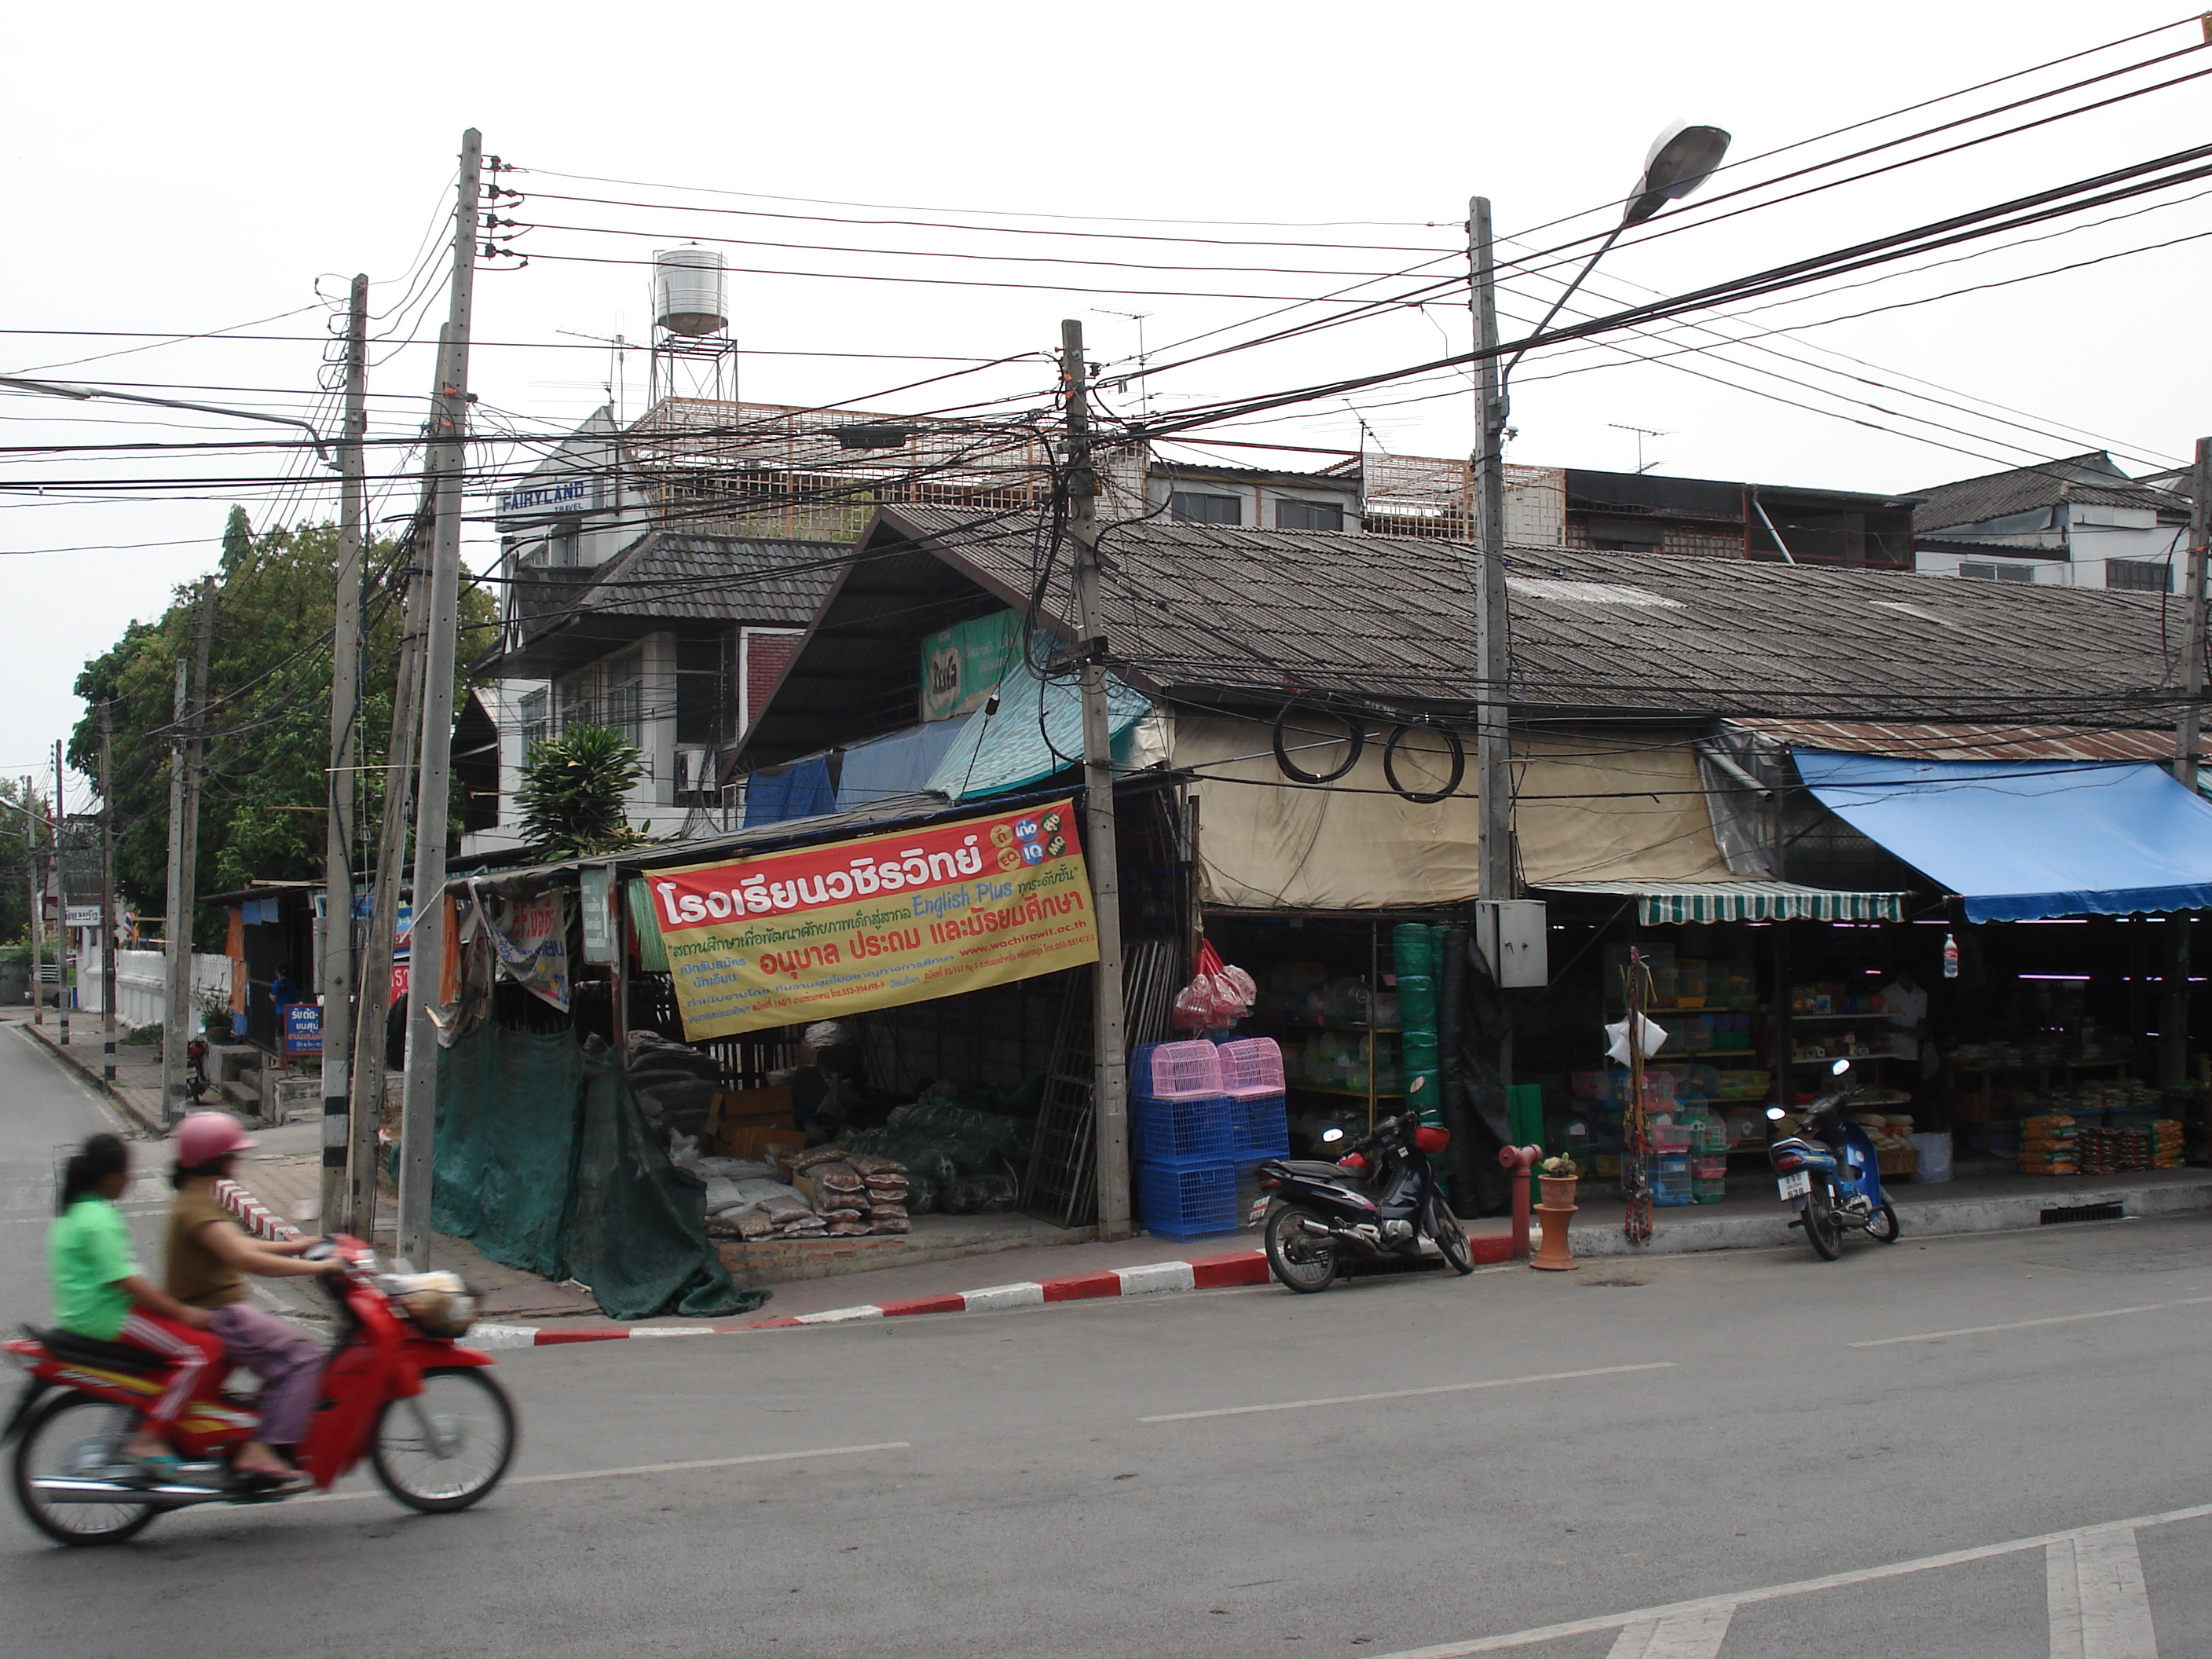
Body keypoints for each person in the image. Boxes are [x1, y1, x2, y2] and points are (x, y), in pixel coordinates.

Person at [165, 1111, 341, 1483]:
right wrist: (319, 1269)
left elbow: (239, 1244)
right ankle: (262, 1451)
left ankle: (263, 1427)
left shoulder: (196, 1199)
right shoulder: (197, 1208)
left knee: (282, 1354)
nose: (237, 1160)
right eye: (233, 1154)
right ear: (217, 1158)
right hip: (221, 1314)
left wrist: (297, 1247)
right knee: (302, 1357)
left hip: (220, 1309)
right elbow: (242, 1258)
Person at [46, 1133, 224, 1478]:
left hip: (89, 1314)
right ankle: (150, 1438)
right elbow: (127, 1281)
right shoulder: (97, 1219)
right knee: (203, 1351)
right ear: (111, 1176)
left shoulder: (75, 1214)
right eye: (127, 1171)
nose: (130, 1179)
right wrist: (181, 1312)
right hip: (109, 1317)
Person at [1881, 969, 1931, 1096]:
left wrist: (1922, 1031)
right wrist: (1907, 1030)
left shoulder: (1921, 995)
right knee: (1892, 1092)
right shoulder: (1887, 993)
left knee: (1911, 1093)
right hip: (1891, 1051)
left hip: (1912, 1053)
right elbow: (1881, 1023)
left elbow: (1921, 1020)